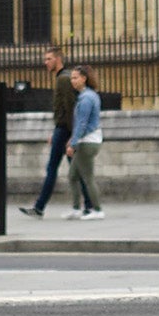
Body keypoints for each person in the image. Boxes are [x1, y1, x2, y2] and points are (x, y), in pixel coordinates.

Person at [18, 48, 74, 218]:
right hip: (62, 129)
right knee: (75, 169)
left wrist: (72, 136)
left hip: (65, 130)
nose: (45, 62)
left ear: (58, 59)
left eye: (48, 59)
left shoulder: (64, 79)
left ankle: (40, 207)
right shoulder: (62, 78)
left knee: (54, 168)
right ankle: (89, 205)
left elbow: (70, 108)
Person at [62, 65, 104, 220]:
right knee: (73, 176)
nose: (72, 81)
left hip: (87, 142)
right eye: (71, 78)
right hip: (87, 140)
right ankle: (76, 209)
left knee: (88, 177)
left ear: (84, 78)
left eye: (75, 78)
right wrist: (72, 140)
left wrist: (73, 143)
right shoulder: (89, 95)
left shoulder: (86, 98)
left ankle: (98, 210)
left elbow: (82, 123)